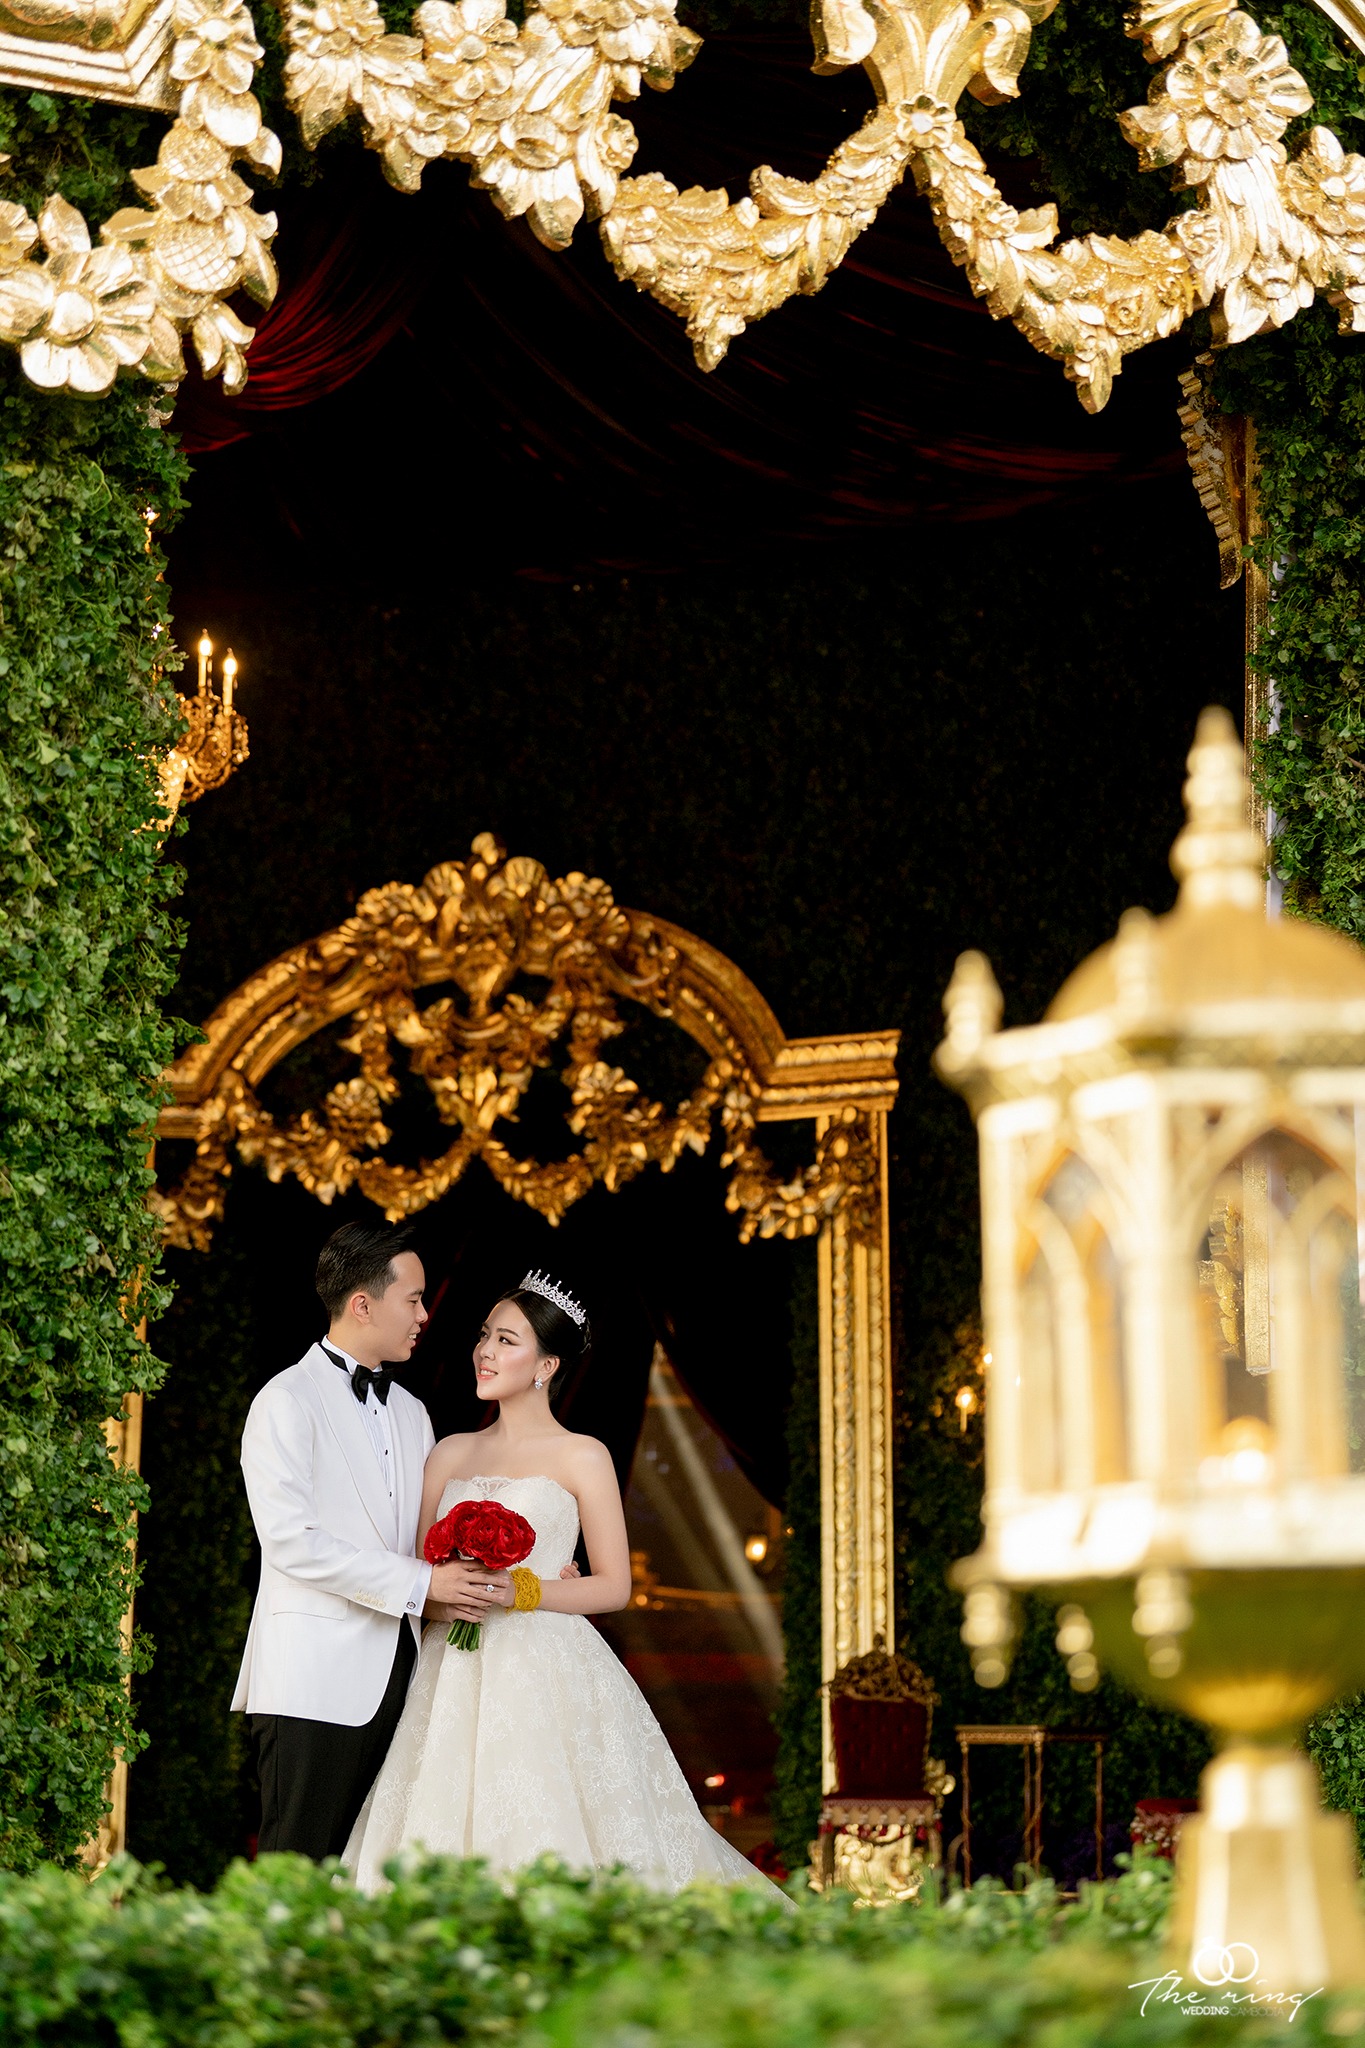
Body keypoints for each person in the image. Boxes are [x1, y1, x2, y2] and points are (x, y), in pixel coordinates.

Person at [343, 1270, 784, 1897]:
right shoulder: (449, 1453)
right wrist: (449, 1593)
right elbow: (420, 1577)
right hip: (450, 1675)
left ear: (546, 1366)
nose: (485, 1352)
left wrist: (522, 1590)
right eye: (485, 1336)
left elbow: (613, 1586)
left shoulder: (583, 1455)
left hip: (547, 1670)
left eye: (506, 1341)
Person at [233, 1221, 506, 1858]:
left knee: (371, 1875)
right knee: (297, 1872)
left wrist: (530, 1572)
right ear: (363, 1304)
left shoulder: (412, 1412)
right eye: (413, 1299)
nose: (424, 1315)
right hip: (312, 1682)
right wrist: (422, 1583)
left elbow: (426, 1539)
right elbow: (292, 1543)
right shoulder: (285, 1400)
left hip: (403, 1679)